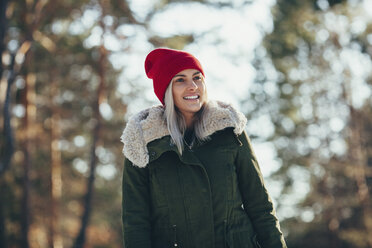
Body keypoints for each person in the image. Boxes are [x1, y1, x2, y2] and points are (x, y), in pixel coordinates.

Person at [121, 48, 287, 248]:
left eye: (197, 78)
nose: (192, 86)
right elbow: (135, 222)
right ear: (166, 90)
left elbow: (260, 206)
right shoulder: (143, 142)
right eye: (180, 80)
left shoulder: (229, 130)